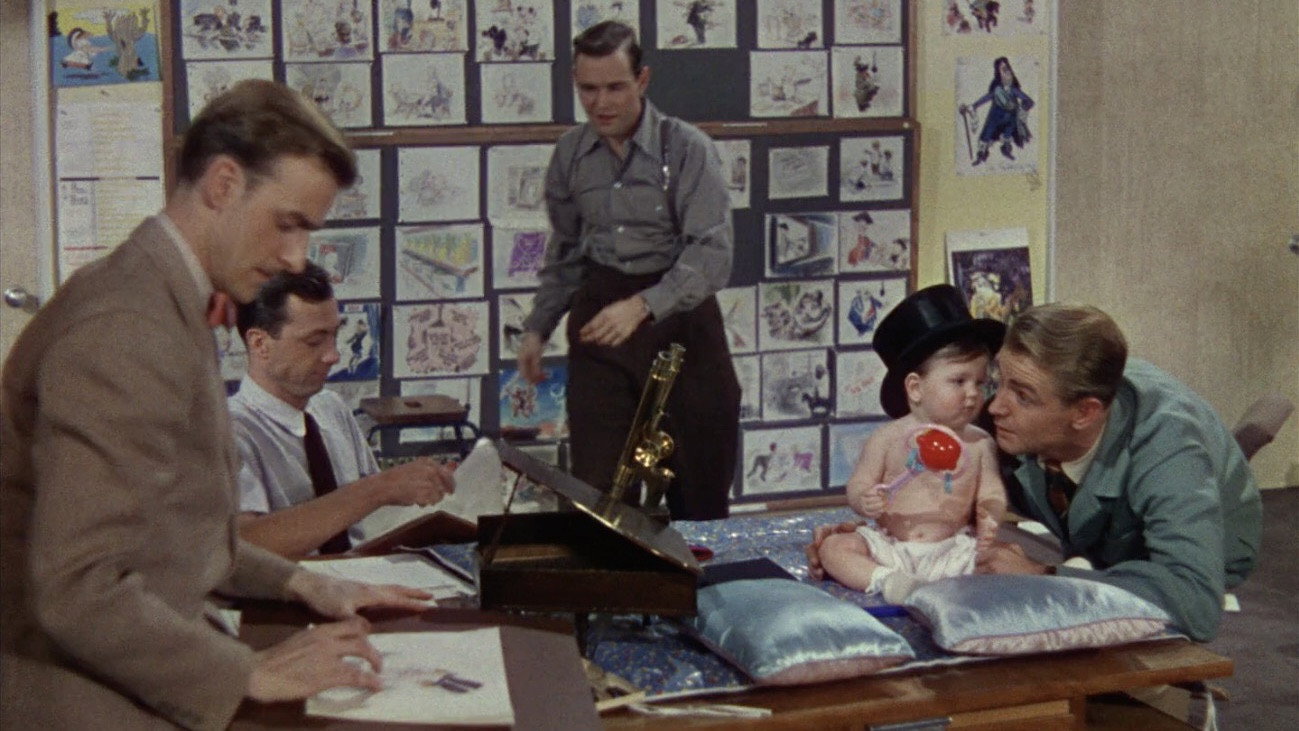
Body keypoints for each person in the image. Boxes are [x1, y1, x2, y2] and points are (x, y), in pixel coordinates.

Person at [0, 80, 430, 729]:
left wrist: (304, 582)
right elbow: (78, 587)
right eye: (287, 224)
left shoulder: (160, 294)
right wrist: (247, 674)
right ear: (224, 184)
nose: (295, 257)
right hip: (70, 690)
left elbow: (174, 531)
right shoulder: (128, 327)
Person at [516, 20, 739, 520]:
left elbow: (711, 252)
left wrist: (642, 306)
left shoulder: (687, 148)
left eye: (615, 87)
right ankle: (603, 570)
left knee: (700, 488)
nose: (601, 103)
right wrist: (537, 328)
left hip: (681, 319)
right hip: (602, 319)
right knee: (597, 492)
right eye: (588, 90)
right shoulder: (571, 154)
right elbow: (566, 252)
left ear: (642, 80)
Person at [976, 304, 1262, 642]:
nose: (995, 406)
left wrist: (1045, 575)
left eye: (1023, 396)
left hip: (1197, 556)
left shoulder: (1168, 449)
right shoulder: (1025, 408)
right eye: (999, 381)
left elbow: (1196, 604)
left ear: (1085, 412)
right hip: (1101, 540)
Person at [231, 263, 456, 560]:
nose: (333, 356)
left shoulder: (330, 408)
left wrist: (420, 488)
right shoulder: (228, 431)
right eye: (314, 341)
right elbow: (243, 545)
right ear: (260, 344)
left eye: (334, 336)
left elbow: (374, 515)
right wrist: (379, 488)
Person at [810, 285, 1008, 602]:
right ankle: (887, 581)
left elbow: (992, 491)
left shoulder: (980, 442)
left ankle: (1071, 576)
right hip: (892, 546)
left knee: (1007, 557)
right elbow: (859, 483)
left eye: (980, 382)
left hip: (953, 549)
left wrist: (990, 516)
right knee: (835, 548)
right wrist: (864, 500)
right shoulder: (887, 438)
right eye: (959, 381)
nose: (973, 393)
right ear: (915, 388)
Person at [960, 56, 1034, 165]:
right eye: (1003, 70)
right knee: (986, 136)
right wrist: (973, 106)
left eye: (1007, 69)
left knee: (1008, 134)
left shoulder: (1013, 90)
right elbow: (986, 98)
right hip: (995, 119)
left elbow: (1028, 100)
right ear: (999, 74)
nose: (1007, 73)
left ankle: (1006, 149)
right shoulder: (997, 90)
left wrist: (1024, 106)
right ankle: (981, 156)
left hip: (1010, 119)